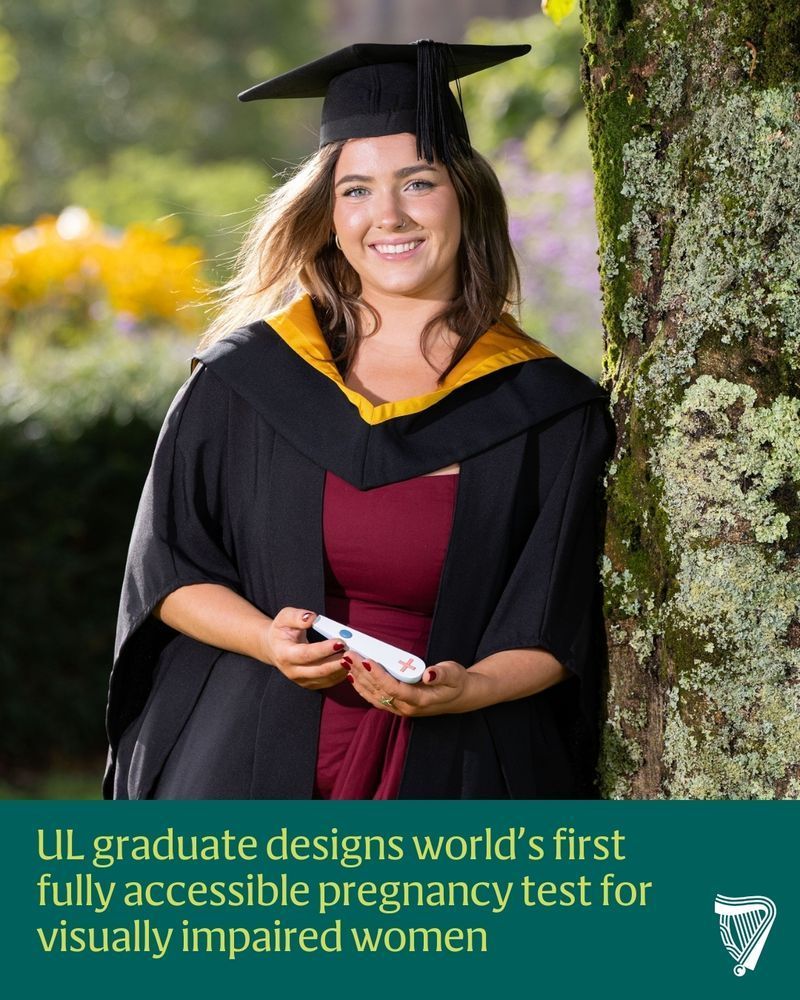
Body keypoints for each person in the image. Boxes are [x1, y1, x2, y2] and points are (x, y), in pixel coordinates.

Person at [103, 40, 615, 800]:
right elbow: (169, 567)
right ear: (329, 216)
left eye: (419, 181)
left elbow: (555, 620)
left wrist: (466, 688)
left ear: (466, 195)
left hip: (457, 770)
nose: (390, 216)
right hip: (245, 765)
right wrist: (264, 637)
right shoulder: (247, 379)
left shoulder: (546, 411)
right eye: (357, 191)